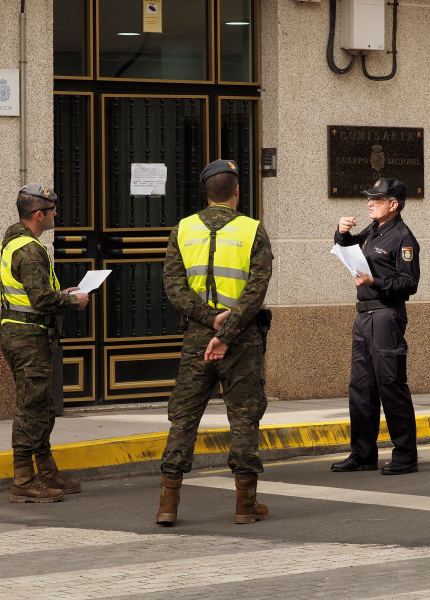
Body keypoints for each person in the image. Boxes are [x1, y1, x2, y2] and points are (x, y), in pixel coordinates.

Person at [155, 159, 273, 525]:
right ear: (237, 190)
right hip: (241, 341)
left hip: (196, 338)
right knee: (243, 418)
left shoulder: (182, 230)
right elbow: (255, 291)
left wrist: (209, 322)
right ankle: (244, 505)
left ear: (206, 193)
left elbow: (173, 288)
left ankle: (167, 505)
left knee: (184, 419)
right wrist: (227, 332)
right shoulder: (253, 230)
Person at [0, 184, 89, 502]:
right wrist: (75, 302)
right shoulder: (30, 249)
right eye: (51, 211)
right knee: (31, 408)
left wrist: (62, 293)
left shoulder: (12, 241)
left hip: (21, 331)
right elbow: (39, 299)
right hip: (28, 337)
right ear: (39, 215)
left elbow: (29, 296)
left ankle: (47, 473)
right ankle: (23, 480)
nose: (55, 215)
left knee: (42, 407)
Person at [331, 177, 420, 476]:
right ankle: (363, 454)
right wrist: (341, 234)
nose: (369, 203)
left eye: (377, 199)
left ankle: (405, 455)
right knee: (361, 387)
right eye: (369, 198)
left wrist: (374, 282)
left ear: (392, 205)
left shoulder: (403, 238)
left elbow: (409, 284)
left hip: (386, 316)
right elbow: (350, 247)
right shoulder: (374, 230)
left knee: (390, 386)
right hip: (364, 315)